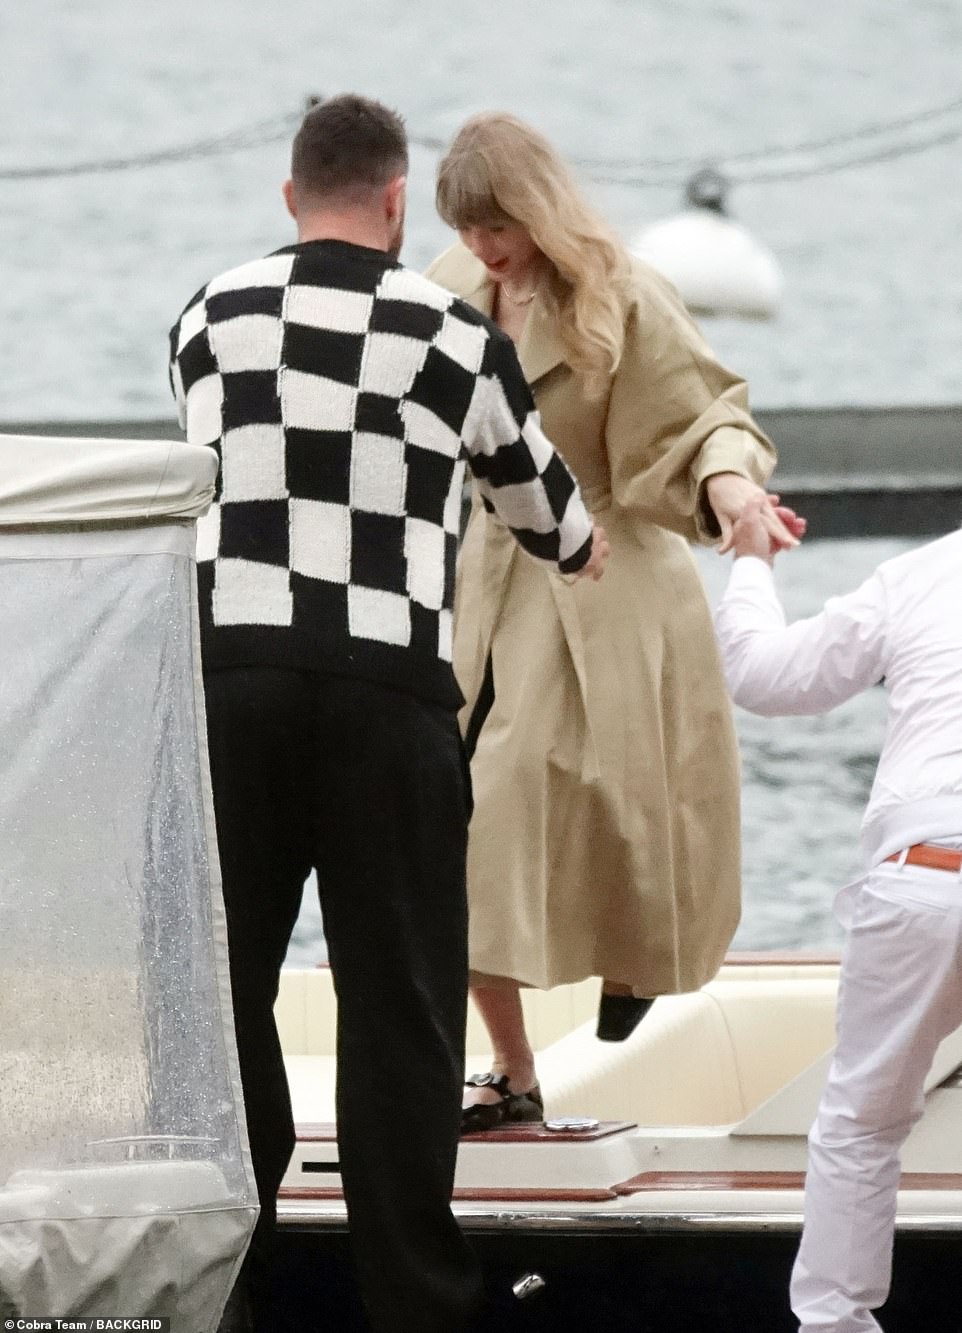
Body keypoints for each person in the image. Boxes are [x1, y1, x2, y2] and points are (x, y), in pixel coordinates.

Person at [167, 94, 608, 1333]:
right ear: (400, 200)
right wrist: (584, 548)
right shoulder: (447, 328)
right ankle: (414, 1298)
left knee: (226, 991)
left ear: (289, 195)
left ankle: (231, 1276)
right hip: (383, 697)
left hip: (234, 685)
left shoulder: (207, 316)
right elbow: (543, 509)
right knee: (398, 1001)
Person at [425, 111, 798, 1132]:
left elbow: (702, 415)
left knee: (596, 796)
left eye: (493, 226)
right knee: (450, 819)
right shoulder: (447, 293)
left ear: (533, 208)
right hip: (485, 574)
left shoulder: (623, 292)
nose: (480, 248)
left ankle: (633, 961)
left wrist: (734, 499)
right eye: (464, 228)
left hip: (606, 572)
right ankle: (511, 1073)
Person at [714, 499, 962, 1333]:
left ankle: (833, 1322)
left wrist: (752, 558)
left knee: (861, 1125)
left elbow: (763, 675)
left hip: (923, 874)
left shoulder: (919, 575)